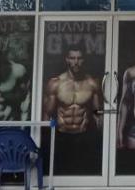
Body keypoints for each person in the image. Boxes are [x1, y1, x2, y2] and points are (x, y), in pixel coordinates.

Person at [42, 47, 105, 175]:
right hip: (62, 136)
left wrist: (101, 135)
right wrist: (46, 141)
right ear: (67, 59)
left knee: (84, 174)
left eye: (79, 58)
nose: (76, 62)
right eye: (72, 58)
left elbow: (97, 113)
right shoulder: (56, 84)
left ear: (83, 60)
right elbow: (47, 114)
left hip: (84, 136)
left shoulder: (92, 83)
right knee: (61, 174)